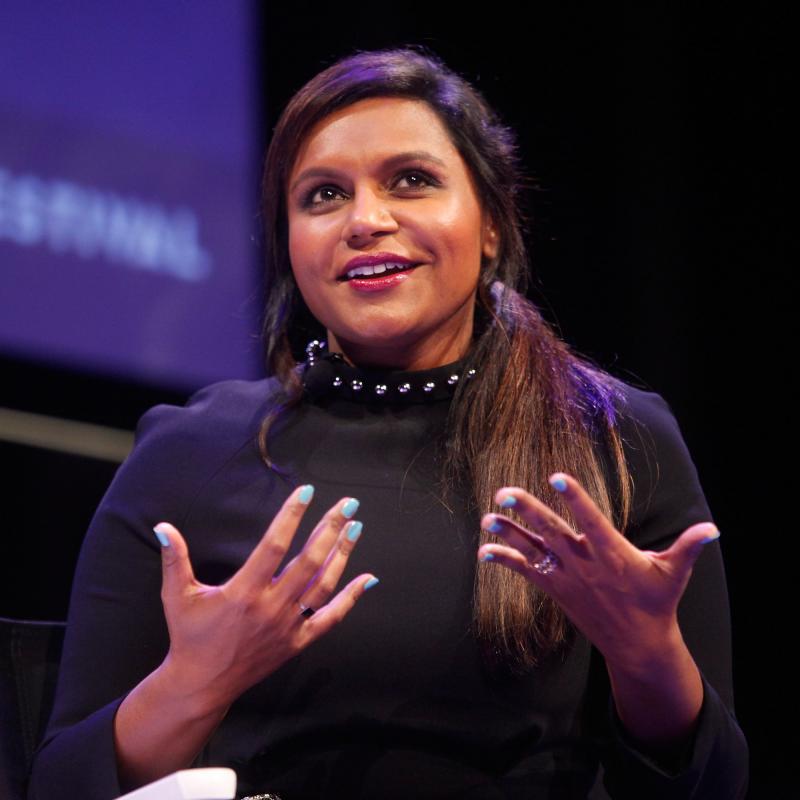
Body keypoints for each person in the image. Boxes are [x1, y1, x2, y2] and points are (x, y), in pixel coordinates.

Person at [29, 46, 748, 799]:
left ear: (492, 223)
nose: (366, 221)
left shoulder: (615, 439)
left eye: (411, 180)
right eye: (324, 195)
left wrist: (646, 656)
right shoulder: (190, 452)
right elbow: (59, 784)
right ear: (289, 243)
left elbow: (714, 786)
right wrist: (193, 683)